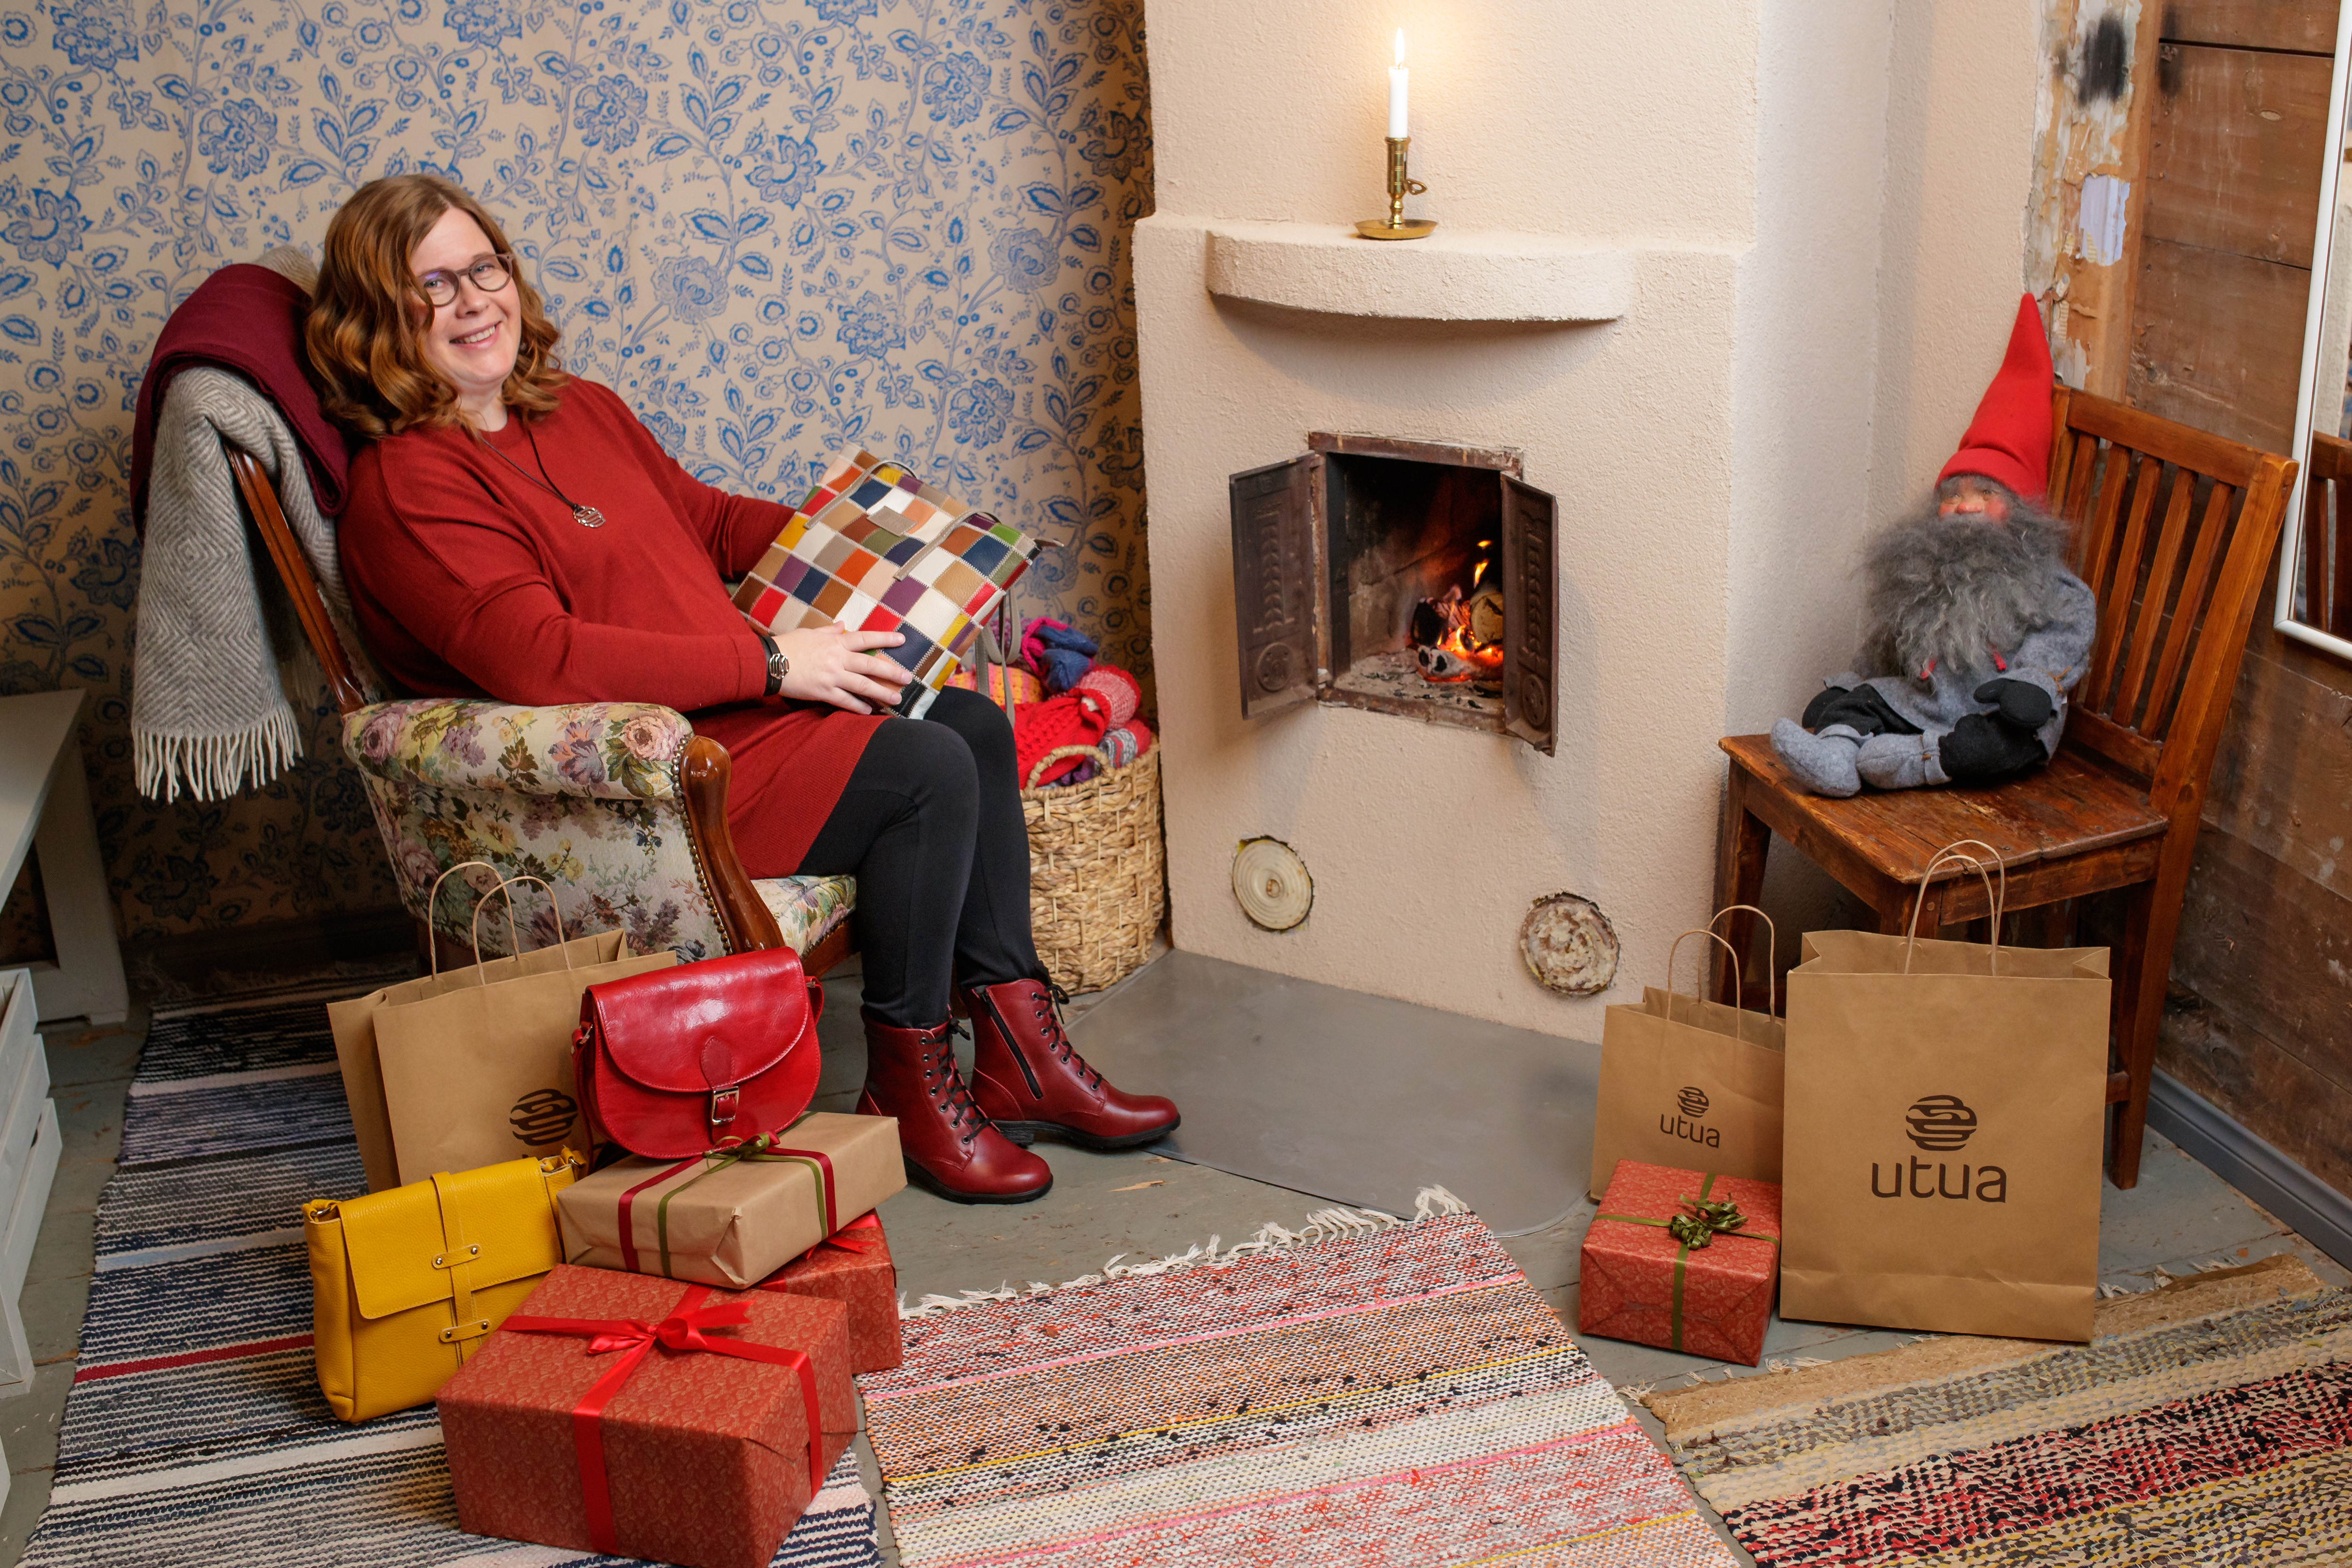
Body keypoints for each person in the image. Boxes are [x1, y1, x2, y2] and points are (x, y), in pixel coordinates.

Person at [306, 172, 1178, 1203]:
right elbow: (538, 659)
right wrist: (773, 663)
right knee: (929, 767)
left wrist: (901, 552)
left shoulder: (577, 407)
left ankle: (1023, 1052)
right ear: (375, 320)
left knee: (976, 723)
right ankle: (907, 1087)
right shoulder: (409, 487)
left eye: (483, 267)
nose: (473, 302)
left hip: (729, 718)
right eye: (432, 286)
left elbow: (710, 523)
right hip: (651, 780)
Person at [1770, 296, 2095, 797]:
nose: (1966, 507)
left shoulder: (2054, 588)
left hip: (1998, 715)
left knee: (1998, 743)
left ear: (2022, 511)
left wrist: (2032, 683)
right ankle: (1835, 755)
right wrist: (1853, 680)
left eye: (1986, 494)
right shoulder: (1923, 572)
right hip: (1927, 701)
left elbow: (2063, 641)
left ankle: (1917, 760)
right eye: (1953, 495)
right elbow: (1889, 642)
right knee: (1863, 702)